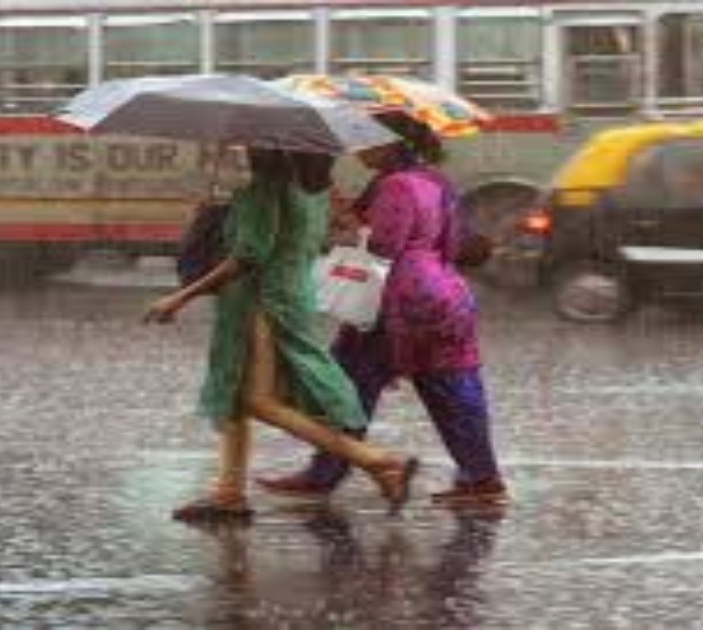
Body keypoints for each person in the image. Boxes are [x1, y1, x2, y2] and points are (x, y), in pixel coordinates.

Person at [144, 148, 419, 520]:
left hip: (260, 301)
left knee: (258, 400)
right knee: (237, 396)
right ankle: (229, 494)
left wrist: (179, 298)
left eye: (252, 143)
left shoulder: (266, 189)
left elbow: (248, 255)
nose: (244, 149)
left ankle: (380, 462)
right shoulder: (315, 190)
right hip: (292, 294)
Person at [256, 112, 507, 505]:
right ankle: (481, 477)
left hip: (398, 299)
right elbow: (454, 240)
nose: (358, 149)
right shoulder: (433, 181)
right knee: (452, 388)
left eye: (366, 140)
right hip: (446, 293)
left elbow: (382, 247)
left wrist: (346, 225)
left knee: (349, 383)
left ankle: (326, 472)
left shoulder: (395, 186)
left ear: (391, 144)